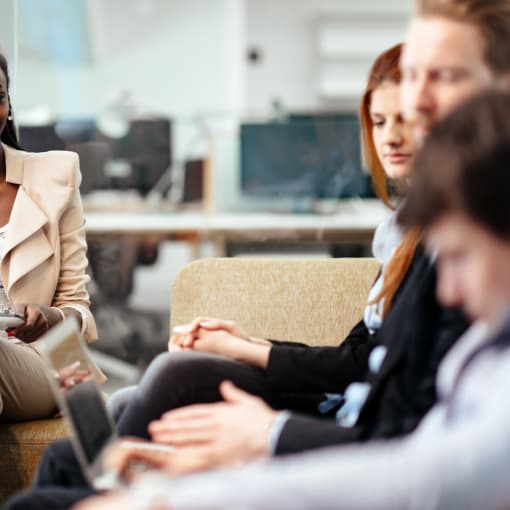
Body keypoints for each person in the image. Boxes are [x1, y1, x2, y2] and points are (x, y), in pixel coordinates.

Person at [5, 41, 468, 509]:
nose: (389, 137)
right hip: (344, 408)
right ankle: (106, 482)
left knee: (169, 374)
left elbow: (373, 379)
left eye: (405, 119)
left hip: (349, 422)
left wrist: (262, 395)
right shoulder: (405, 235)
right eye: (379, 121)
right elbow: (361, 355)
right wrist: (250, 345)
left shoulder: (445, 247)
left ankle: (109, 488)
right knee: (123, 407)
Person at [0, 53, 99, 423]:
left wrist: (51, 316)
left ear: (8, 105)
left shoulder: (55, 177)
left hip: (50, 362)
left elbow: (78, 308)